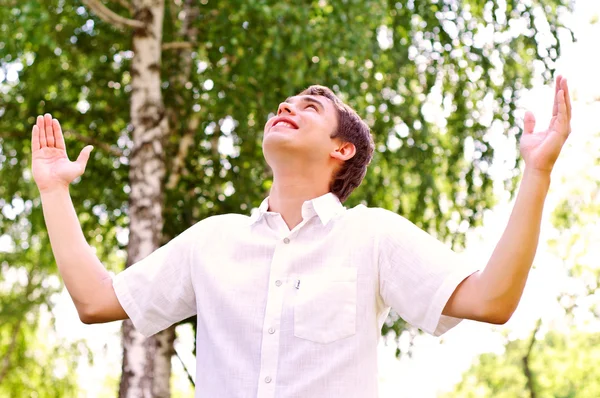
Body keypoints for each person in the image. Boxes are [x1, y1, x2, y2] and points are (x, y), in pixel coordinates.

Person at [31, 76, 572, 397]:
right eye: (283, 105)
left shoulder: (373, 235)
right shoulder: (211, 241)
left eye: (310, 106)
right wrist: (54, 191)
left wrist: (538, 174)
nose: (285, 107)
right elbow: (95, 301)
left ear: (343, 150)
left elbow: (492, 300)